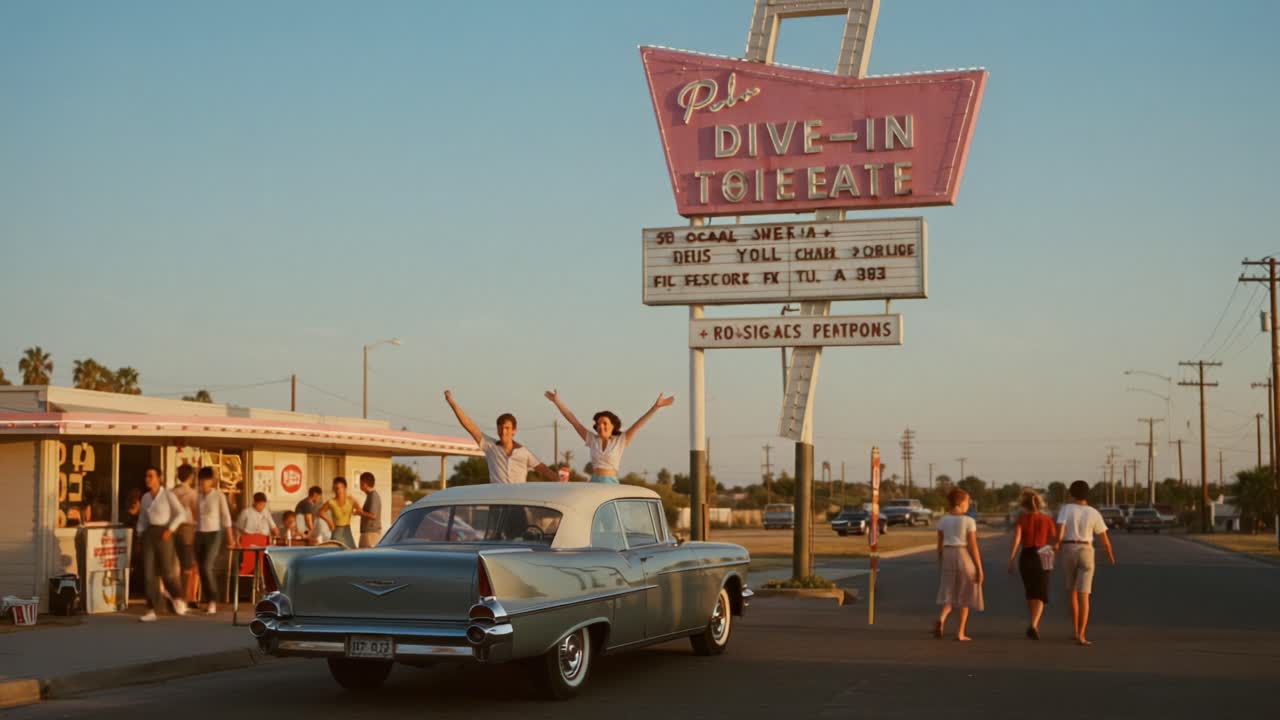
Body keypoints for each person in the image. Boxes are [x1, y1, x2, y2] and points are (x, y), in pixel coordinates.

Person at [544, 390, 675, 483]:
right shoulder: (592, 439)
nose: (601, 426)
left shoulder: (621, 441)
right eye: (599, 423)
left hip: (611, 483)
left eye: (605, 423)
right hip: (594, 482)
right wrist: (557, 402)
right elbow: (573, 420)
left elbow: (639, 423)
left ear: (613, 426)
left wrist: (655, 407)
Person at [444, 390, 558, 483]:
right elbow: (470, 427)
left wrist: (561, 479)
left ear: (514, 431)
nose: (503, 432)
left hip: (518, 504)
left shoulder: (524, 452)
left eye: (507, 428)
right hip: (498, 504)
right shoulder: (490, 446)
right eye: (501, 427)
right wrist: (451, 402)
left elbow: (545, 471)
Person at [1054, 480, 1116, 646]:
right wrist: (1110, 555)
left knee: (1072, 593)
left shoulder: (1066, 509)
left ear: (1071, 494)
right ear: (1087, 494)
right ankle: (1082, 634)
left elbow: (1059, 532)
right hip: (1087, 550)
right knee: (1084, 596)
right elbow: (1104, 538)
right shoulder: (1094, 513)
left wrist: (1054, 548)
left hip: (1069, 549)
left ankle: (1075, 630)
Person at [136, 466, 188, 622]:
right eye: (146, 476)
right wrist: (139, 535)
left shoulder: (167, 495)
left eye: (151, 476)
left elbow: (181, 514)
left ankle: (178, 597)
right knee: (148, 573)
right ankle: (151, 609)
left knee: (167, 571)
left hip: (164, 533)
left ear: (159, 478)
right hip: (149, 533)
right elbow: (142, 519)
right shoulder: (145, 497)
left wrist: (170, 529)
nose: (148, 479)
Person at [934, 487, 983, 641]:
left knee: (950, 592)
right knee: (964, 595)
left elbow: (939, 543)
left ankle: (941, 619)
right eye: (967, 501)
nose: (968, 505)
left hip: (948, 554)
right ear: (961, 502)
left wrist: (940, 559)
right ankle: (960, 633)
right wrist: (979, 568)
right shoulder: (969, 521)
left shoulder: (943, 520)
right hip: (962, 553)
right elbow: (973, 545)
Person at [1006, 489, 1055, 640]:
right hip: (1044, 552)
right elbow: (1054, 539)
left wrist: (1011, 558)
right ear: (1040, 504)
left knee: (1031, 591)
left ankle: (1032, 623)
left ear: (1024, 505)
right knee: (1041, 591)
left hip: (1026, 554)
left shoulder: (1022, 519)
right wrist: (1053, 550)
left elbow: (1017, 540)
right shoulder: (1047, 519)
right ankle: (1034, 624)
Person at [195, 466, 232, 615]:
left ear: (211, 481)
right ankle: (208, 599)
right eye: (201, 480)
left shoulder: (218, 495)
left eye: (206, 480)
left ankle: (213, 600)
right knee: (201, 568)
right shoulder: (197, 496)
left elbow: (226, 516)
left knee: (207, 566)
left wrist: (230, 537)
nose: (203, 483)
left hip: (214, 533)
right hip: (199, 533)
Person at [171, 464, 200, 603]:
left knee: (175, 563)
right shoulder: (192, 493)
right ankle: (187, 596)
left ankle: (176, 595)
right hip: (188, 530)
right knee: (189, 565)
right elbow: (196, 513)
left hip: (173, 529)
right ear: (190, 476)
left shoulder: (171, 492)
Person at [317, 477, 359, 548]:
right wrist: (329, 522)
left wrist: (354, 512)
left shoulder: (351, 500)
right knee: (336, 553)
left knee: (352, 553)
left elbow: (360, 511)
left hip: (347, 531)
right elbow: (320, 512)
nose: (338, 490)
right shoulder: (331, 502)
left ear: (345, 488)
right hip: (337, 531)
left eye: (340, 488)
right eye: (336, 488)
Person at [355, 472, 382, 548]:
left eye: (360, 483)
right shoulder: (369, 496)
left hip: (371, 534)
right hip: (367, 534)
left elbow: (373, 516)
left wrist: (360, 512)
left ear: (365, 483)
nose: (359, 485)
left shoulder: (374, 496)